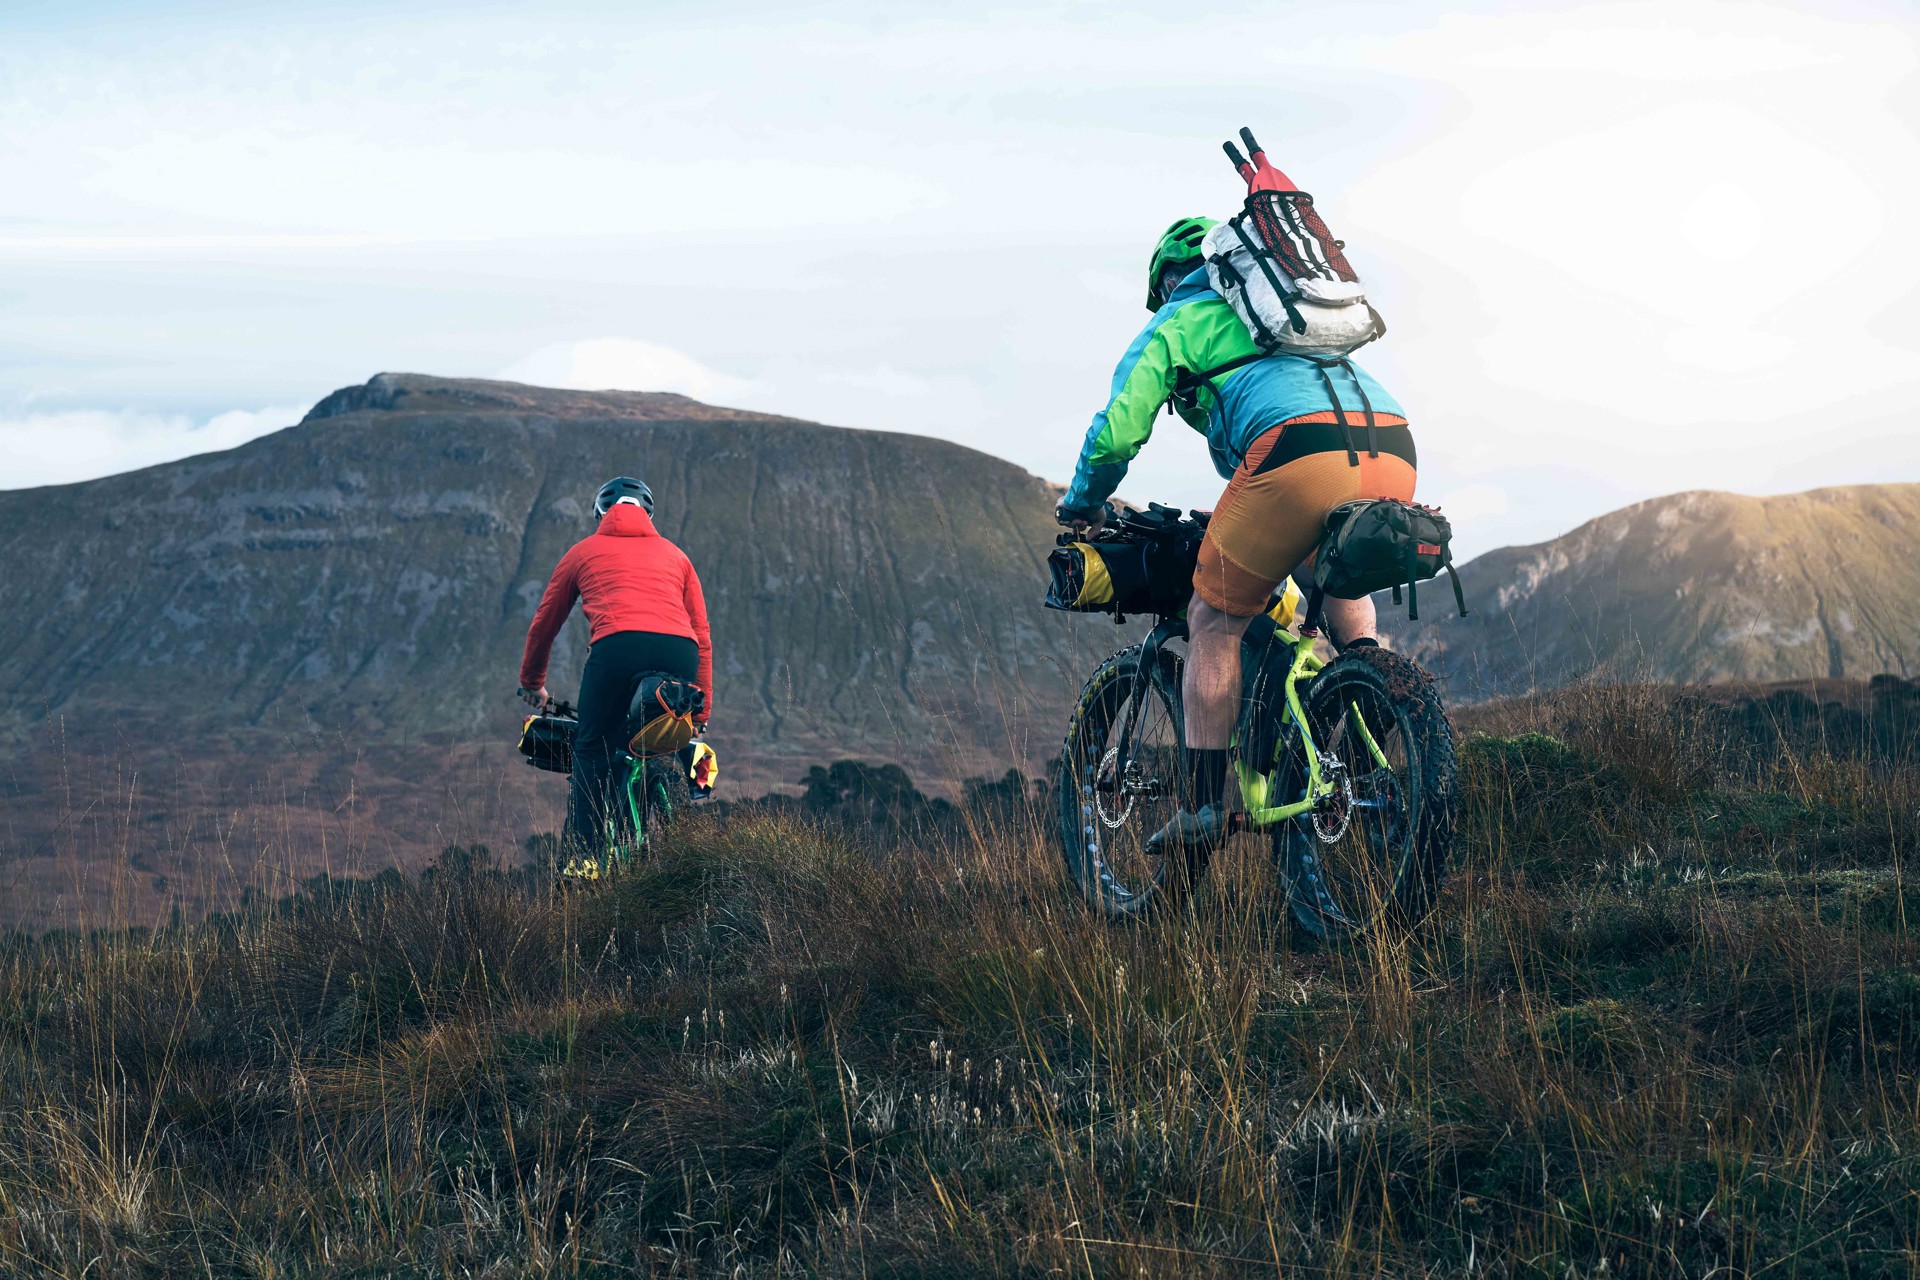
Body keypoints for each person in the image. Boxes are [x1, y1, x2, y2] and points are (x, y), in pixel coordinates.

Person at [1055, 217, 1417, 852]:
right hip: (1390, 444)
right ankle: (1370, 704)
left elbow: (1116, 432)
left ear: (1169, 279)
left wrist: (1082, 500)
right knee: (1328, 578)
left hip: (1296, 453)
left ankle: (1200, 807)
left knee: (1213, 619)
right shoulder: (1288, 311)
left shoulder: (1180, 320)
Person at [519, 476, 713, 860]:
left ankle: (585, 859)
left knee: (590, 749)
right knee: (667, 734)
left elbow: (545, 623)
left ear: (601, 514)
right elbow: (702, 634)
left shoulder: (582, 551)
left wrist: (533, 683)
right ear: (648, 514)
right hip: (680, 651)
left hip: (617, 647)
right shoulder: (677, 556)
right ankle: (686, 848)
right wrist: (701, 713)